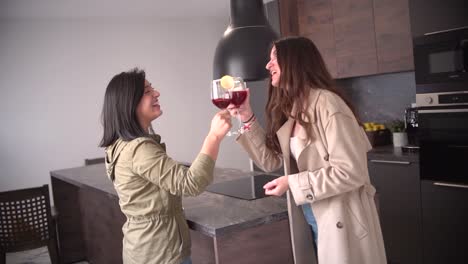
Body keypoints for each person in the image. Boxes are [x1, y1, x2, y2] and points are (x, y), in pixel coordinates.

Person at [231, 37, 386, 263]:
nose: (268, 65)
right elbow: (270, 161)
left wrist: (291, 183)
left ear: (295, 61)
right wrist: (246, 116)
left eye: (275, 57)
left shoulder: (328, 104)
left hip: (343, 217)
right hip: (312, 213)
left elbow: (351, 172)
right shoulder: (294, 107)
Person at [99, 68, 231, 264]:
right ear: (129, 103)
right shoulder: (138, 149)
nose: (156, 93)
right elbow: (191, 183)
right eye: (146, 91)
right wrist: (214, 137)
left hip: (141, 250)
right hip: (162, 255)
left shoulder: (119, 145)